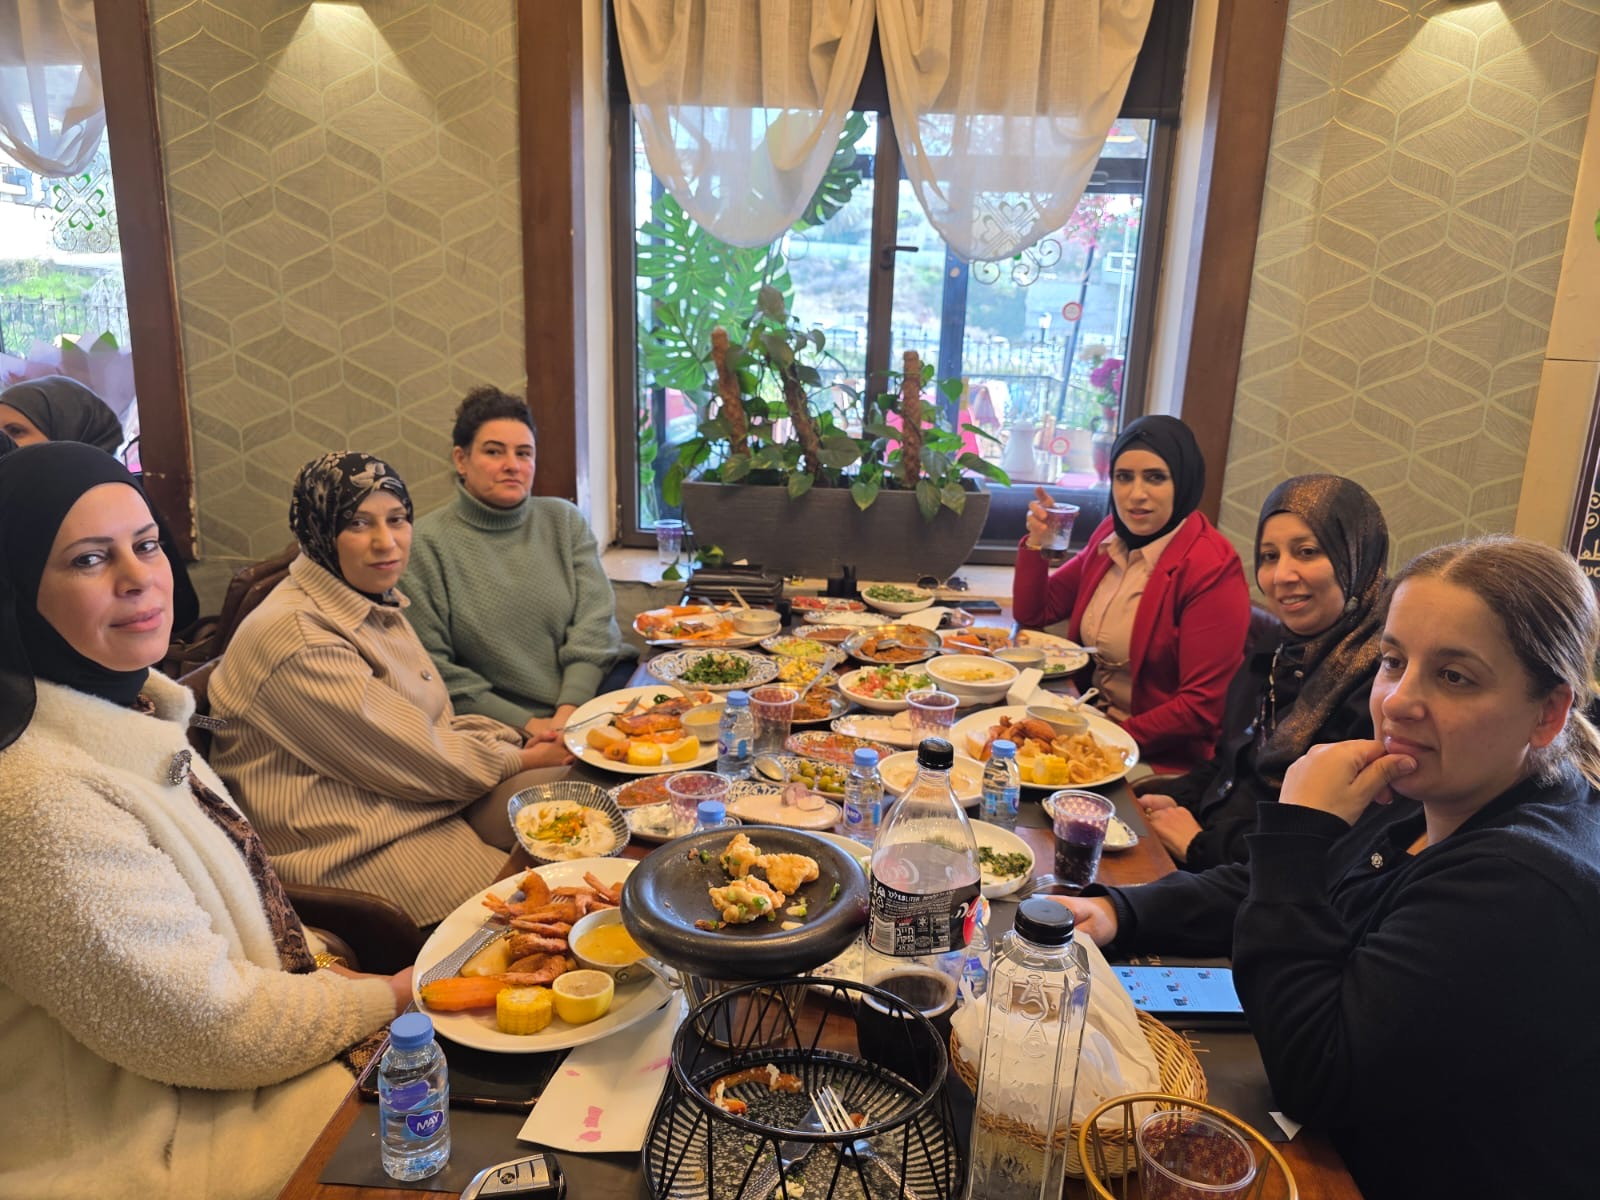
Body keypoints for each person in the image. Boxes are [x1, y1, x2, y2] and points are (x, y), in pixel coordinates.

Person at [1056, 536, 1600, 1199]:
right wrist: (1120, 910)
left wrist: (1297, 833)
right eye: (1394, 661)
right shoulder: (1438, 784)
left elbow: (1314, 1074)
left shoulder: (1525, 881)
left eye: (1454, 676)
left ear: (1548, 713)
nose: (1398, 701)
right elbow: (1277, 888)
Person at [0, 442, 406, 1200]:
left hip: (231, 1069)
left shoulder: (131, 707)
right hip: (150, 1142)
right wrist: (393, 995)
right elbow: (206, 1030)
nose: (138, 577)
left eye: (146, 544)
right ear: (16, 590)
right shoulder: (34, 799)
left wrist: (349, 980)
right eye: (89, 560)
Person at [208, 451, 572, 926]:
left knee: (597, 806)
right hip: (357, 844)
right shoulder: (297, 638)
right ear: (318, 531)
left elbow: (429, 723)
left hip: (417, 800)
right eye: (358, 524)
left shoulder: (366, 597)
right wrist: (520, 758)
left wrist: (517, 741)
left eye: (397, 519)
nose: (386, 542)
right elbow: (414, 755)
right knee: (557, 912)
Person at [1135, 474, 1389, 868]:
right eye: (1269, 556)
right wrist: (1175, 799)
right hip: (1208, 848)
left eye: (1307, 552)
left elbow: (1327, 846)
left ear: (1357, 556)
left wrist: (1200, 845)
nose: (1281, 576)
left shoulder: (1378, 685)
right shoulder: (1279, 646)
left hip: (1255, 880)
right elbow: (1229, 762)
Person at [1013, 414, 1249, 772]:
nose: (1136, 494)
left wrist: (1103, 739)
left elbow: (1200, 708)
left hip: (1159, 758)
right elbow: (1036, 612)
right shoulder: (1112, 534)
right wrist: (1036, 543)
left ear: (1183, 481)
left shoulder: (1211, 567)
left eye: (1155, 477)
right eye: (1124, 477)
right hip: (1090, 724)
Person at [404, 386, 624, 737]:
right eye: (494, 451)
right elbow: (433, 667)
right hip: (499, 728)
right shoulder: (424, 544)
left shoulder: (563, 520)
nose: (512, 465)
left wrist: (568, 713)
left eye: (524, 453)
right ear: (461, 460)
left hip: (595, 699)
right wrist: (532, 726)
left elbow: (595, 624)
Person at [0, 374, 200, 632]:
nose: (4, 442)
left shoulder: (120, 498)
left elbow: (181, 612)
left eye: (15, 431)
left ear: (68, 430)